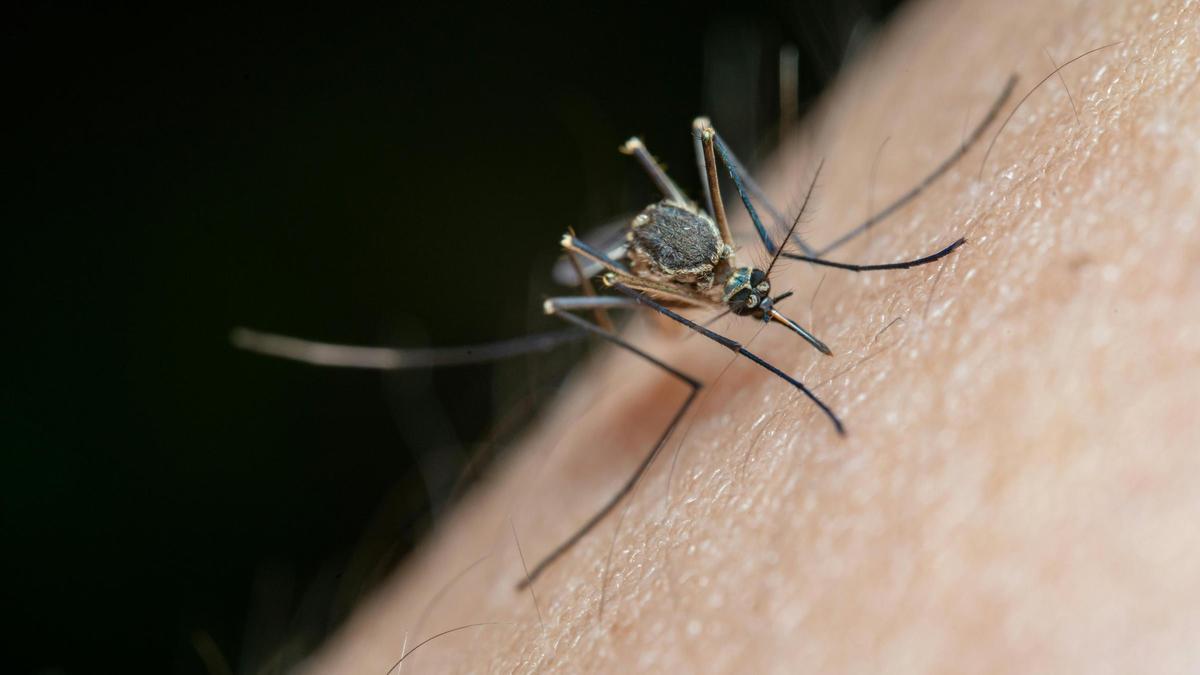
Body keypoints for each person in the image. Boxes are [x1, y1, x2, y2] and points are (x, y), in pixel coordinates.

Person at [305, 0, 1200, 671]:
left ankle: (821, 254)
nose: (760, 300)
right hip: (644, 269)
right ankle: (687, 380)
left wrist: (809, 258)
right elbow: (627, 282)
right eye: (750, 295)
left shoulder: (735, 262)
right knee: (589, 285)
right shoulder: (684, 284)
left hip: (693, 247)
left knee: (706, 155)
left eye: (755, 290)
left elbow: (746, 250)